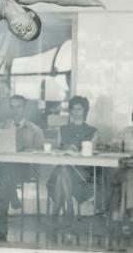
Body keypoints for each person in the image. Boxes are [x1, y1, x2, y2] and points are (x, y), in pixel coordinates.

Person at [0, 95, 44, 241]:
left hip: (24, 170)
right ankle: (13, 197)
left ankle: (3, 217)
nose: (15, 110)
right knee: (6, 170)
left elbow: (41, 151)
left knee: (7, 174)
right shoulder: (1, 127)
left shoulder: (34, 129)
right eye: (12, 107)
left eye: (18, 107)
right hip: (1, 168)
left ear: (24, 108)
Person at [47, 96, 98, 224]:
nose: (75, 112)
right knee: (63, 170)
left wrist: (78, 151)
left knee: (61, 174)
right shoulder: (62, 129)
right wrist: (65, 149)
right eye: (73, 109)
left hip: (82, 174)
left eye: (79, 109)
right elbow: (56, 150)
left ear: (85, 111)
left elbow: (93, 155)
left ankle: (56, 214)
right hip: (63, 169)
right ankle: (69, 208)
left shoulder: (92, 131)